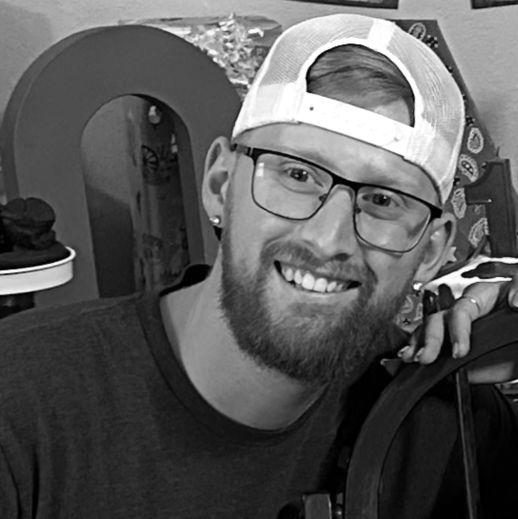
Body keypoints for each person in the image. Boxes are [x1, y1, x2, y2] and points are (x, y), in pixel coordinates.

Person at [0, 13, 517, 519]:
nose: (328, 239)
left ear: (431, 250)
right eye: (297, 175)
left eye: (383, 201)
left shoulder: (443, 426)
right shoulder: (21, 400)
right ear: (221, 184)